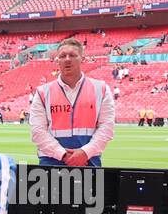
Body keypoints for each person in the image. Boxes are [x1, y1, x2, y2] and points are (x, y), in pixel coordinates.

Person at [29, 38, 115, 167]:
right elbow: (37, 131)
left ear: (82, 59)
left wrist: (85, 153)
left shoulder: (101, 89)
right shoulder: (42, 92)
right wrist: (63, 155)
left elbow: (107, 127)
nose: (67, 59)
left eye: (73, 55)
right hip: (51, 162)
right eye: (62, 56)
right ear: (57, 60)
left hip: (88, 161)